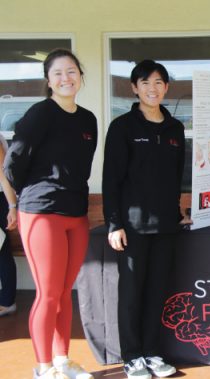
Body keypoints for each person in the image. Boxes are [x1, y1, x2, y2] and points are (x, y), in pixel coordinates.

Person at [4, 49, 97, 379]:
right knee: (48, 293)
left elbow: (81, 167)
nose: (65, 78)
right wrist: (26, 196)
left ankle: (62, 360)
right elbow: (13, 163)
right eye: (58, 73)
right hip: (41, 214)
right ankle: (43, 367)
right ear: (48, 80)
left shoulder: (88, 119)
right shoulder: (39, 114)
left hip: (76, 213)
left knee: (65, 291)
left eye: (71, 71)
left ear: (80, 76)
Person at [102, 60, 187, 379]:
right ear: (134, 87)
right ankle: (132, 356)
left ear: (166, 87)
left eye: (159, 82)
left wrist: (179, 212)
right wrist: (114, 223)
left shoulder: (175, 128)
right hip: (132, 226)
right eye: (146, 82)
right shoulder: (123, 127)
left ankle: (152, 352)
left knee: (157, 291)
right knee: (132, 292)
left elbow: (177, 175)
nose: (153, 88)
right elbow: (111, 179)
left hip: (166, 225)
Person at [0, 133, 18, 317]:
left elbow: (4, 176)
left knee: (2, 252)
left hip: (1, 200)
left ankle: (7, 300)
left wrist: (12, 207)